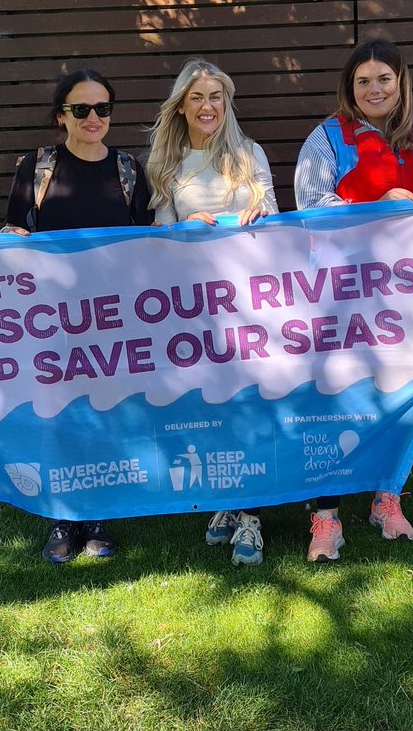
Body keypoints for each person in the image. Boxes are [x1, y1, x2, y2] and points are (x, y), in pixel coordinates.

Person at [294, 38, 413, 563]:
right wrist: (377, 205)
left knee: (407, 395)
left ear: (401, 82)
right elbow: (309, 207)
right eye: (363, 80)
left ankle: (387, 497)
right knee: (336, 395)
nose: (374, 89)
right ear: (350, 87)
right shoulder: (326, 138)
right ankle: (325, 514)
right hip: (346, 296)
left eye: (384, 79)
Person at [1, 67, 154, 563]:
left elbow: (149, 242)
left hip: (114, 318)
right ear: (60, 115)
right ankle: (63, 519)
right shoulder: (37, 166)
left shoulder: (130, 168)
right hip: (53, 319)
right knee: (60, 415)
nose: (93, 118)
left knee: (108, 413)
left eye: (102, 109)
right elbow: (13, 229)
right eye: (81, 109)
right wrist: (10, 242)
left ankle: (99, 517)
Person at [147, 58, 279, 566]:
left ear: (227, 102)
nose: (208, 106)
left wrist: (259, 214)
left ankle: (252, 517)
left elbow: (277, 222)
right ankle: (226, 503)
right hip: (196, 310)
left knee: (249, 405)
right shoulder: (168, 163)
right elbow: (158, 235)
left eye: (216, 97)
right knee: (211, 408)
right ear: (182, 105)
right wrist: (184, 227)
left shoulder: (250, 155)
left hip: (251, 305)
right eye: (197, 97)